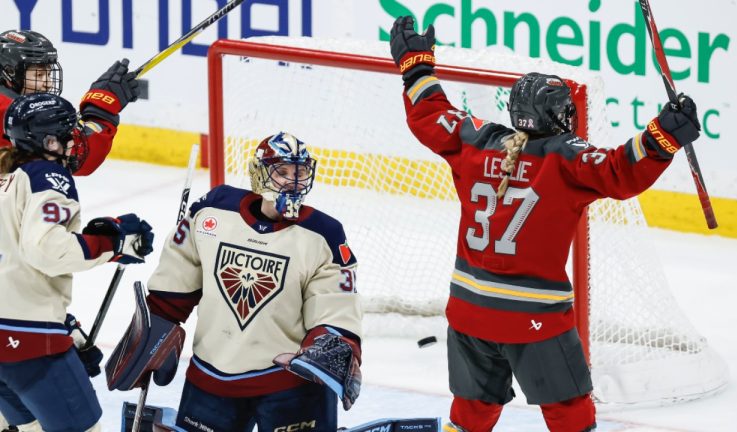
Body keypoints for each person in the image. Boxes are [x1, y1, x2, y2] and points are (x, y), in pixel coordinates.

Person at [389, 16, 703, 432]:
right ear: (557, 116)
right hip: (532, 318)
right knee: (570, 412)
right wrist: (664, 134)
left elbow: (430, 114)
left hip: (468, 312)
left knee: (471, 412)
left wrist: (416, 64)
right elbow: (619, 171)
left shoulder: (476, 140)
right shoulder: (564, 157)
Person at [106, 132, 363, 431]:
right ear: (258, 173)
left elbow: (335, 303)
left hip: (289, 383)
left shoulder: (324, 234)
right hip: (213, 378)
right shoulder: (213, 211)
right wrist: (155, 329)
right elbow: (178, 276)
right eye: (282, 172)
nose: (293, 182)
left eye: (300, 172)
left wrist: (331, 346)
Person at [0, 93, 154, 432]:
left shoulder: (6, 180)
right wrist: (113, 244)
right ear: (50, 141)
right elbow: (47, 251)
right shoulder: (47, 176)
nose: (76, 141)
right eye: (70, 134)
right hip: (29, 343)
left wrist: (65, 323)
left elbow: (10, 266)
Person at [0, 29, 139, 176]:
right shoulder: (14, 112)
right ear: (10, 72)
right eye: (39, 75)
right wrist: (101, 108)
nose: (48, 84)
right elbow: (79, 156)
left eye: (48, 73)